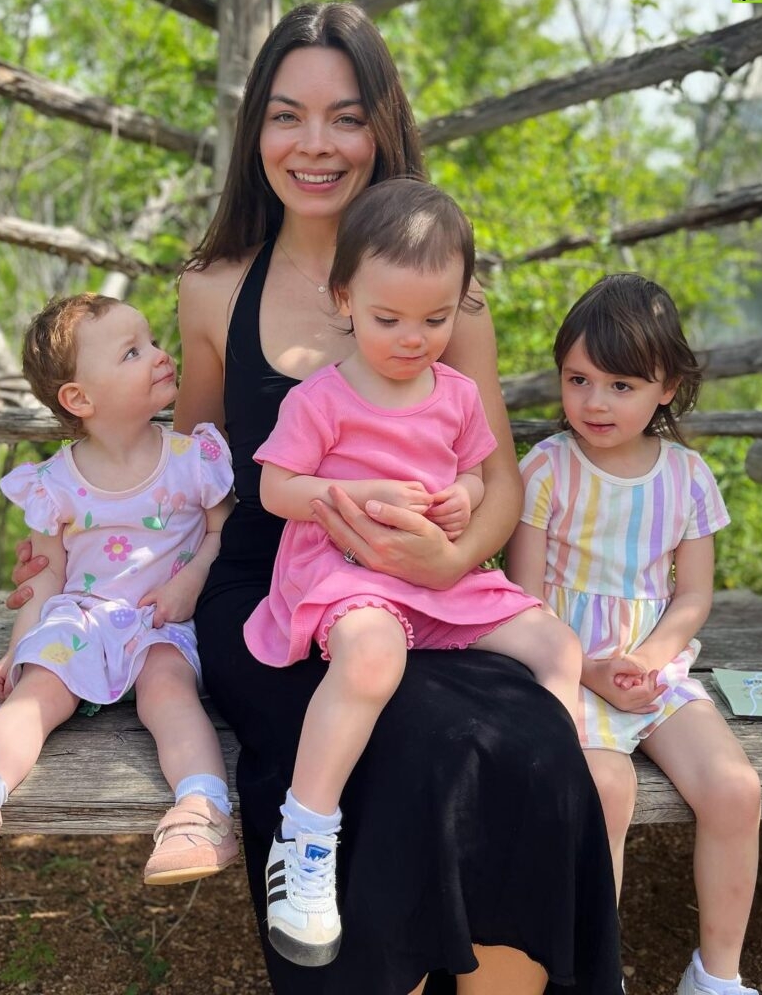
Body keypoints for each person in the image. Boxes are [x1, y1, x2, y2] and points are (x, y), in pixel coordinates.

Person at [11, 2, 622, 995]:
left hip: (435, 583)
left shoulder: (450, 296)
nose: (316, 144)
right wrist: (69, 563)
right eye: (287, 115)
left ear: (381, 127)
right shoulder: (214, 289)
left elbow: (497, 474)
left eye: (345, 116)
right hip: (277, 588)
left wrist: (454, 557)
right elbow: (198, 471)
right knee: (416, 740)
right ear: (256, 132)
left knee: (526, 736)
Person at [243, 178, 583, 967]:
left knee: (557, 649)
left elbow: (478, 474)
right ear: (345, 300)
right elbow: (273, 488)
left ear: (461, 302)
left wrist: (465, 499)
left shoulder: (457, 395)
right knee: (372, 659)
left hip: (438, 575)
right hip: (348, 568)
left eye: (435, 319)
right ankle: (307, 835)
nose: (412, 338)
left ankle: (545, 780)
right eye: (389, 318)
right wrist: (348, 491)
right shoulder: (322, 399)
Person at [0, 293, 238, 889]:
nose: (159, 355)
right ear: (79, 398)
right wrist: (20, 647)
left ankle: (202, 812)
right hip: (84, 618)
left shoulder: (192, 459)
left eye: (150, 340)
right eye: (131, 352)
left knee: (168, 689)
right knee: (35, 692)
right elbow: (46, 575)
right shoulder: (54, 483)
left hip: (163, 618)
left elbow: (225, 533)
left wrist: (190, 581)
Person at [506, 274, 762, 995]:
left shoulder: (686, 475)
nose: (593, 402)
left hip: (653, 669)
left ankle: (716, 975)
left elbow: (694, 594)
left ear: (667, 385)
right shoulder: (547, 468)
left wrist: (650, 659)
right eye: (578, 379)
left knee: (736, 789)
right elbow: (522, 598)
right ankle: (594, 976)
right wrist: (586, 667)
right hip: (565, 664)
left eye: (621, 385)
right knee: (606, 788)